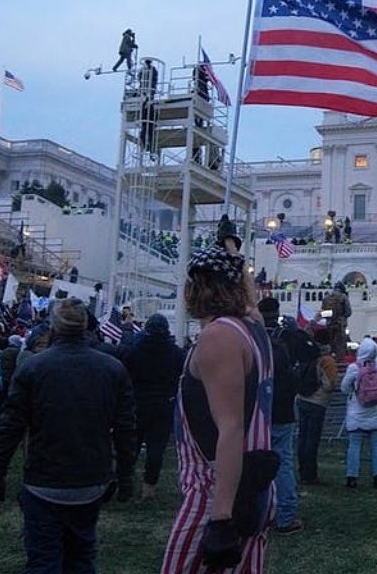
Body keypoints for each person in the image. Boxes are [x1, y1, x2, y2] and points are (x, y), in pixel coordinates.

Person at [0, 298, 138, 573]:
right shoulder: (112, 368)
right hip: (91, 482)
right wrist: (125, 475)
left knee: (44, 561)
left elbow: (10, 427)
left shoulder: (33, 368)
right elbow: (126, 429)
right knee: (81, 557)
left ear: (53, 328)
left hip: (45, 480)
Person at [161, 245, 275, 574]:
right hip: (253, 485)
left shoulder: (219, 337)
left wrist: (221, 518)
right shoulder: (252, 328)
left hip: (215, 489)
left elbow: (231, 429)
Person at [118, 313, 185, 502]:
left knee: (131, 446)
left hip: (137, 403)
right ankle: (149, 487)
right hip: (164, 404)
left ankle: (125, 484)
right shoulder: (176, 353)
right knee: (157, 448)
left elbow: (125, 375)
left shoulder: (134, 351)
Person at [258, 298, 302, 535]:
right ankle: (285, 515)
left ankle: (257, 514)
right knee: (283, 463)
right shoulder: (287, 341)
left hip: (258, 412)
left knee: (254, 462)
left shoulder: (253, 339)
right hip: (283, 412)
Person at [295, 329, 338, 486]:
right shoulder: (327, 360)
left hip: (302, 398)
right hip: (317, 402)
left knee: (302, 437)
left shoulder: (307, 353)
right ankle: (310, 475)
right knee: (312, 439)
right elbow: (330, 384)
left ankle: (302, 472)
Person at [341, 337, 377, 489]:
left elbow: (344, 388)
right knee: (376, 445)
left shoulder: (354, 368)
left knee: (354, 445)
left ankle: (352, 476)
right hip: (373, 410)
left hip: (357, 410)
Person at [321, 284, 351, 362]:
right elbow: (348, 312)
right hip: (340, 324)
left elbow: (323, 312)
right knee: (340, 344)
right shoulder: (343, 297)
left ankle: (330, 359)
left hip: (329, 324)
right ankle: (339, 361)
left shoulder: (326, 298)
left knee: (330, 343)